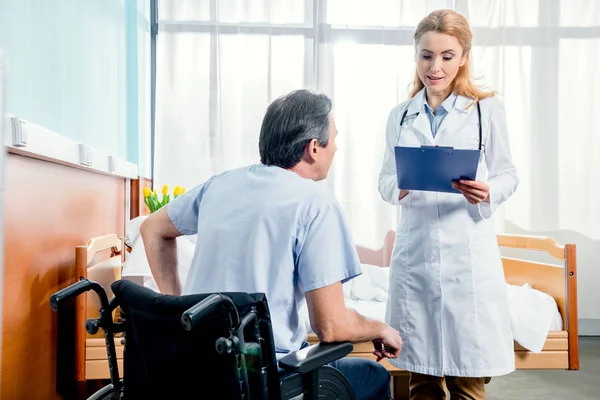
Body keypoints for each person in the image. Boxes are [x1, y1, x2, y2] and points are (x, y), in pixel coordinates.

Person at [141, 89, 402, 400]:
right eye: (334, 138)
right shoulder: (315, 202)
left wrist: (179, 307)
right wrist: (381, 329)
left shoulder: (220, 184)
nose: (337, 147)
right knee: (374, 377)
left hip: (199, 365)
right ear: (314, 148)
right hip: (263, 379)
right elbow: (331, 326)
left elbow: (152, 228)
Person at [377, 9, 519, 400]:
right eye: (426, 56)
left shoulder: (487, 109)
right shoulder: (400, 115)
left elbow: (509, 174)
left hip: (466, 255)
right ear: (416, 55)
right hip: (417, 253)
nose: (434, 67)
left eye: (446, 56)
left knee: (467, 380)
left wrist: (488, 191)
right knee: (421, 378)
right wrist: (402, 187)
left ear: (463, 58)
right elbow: (385, 181)